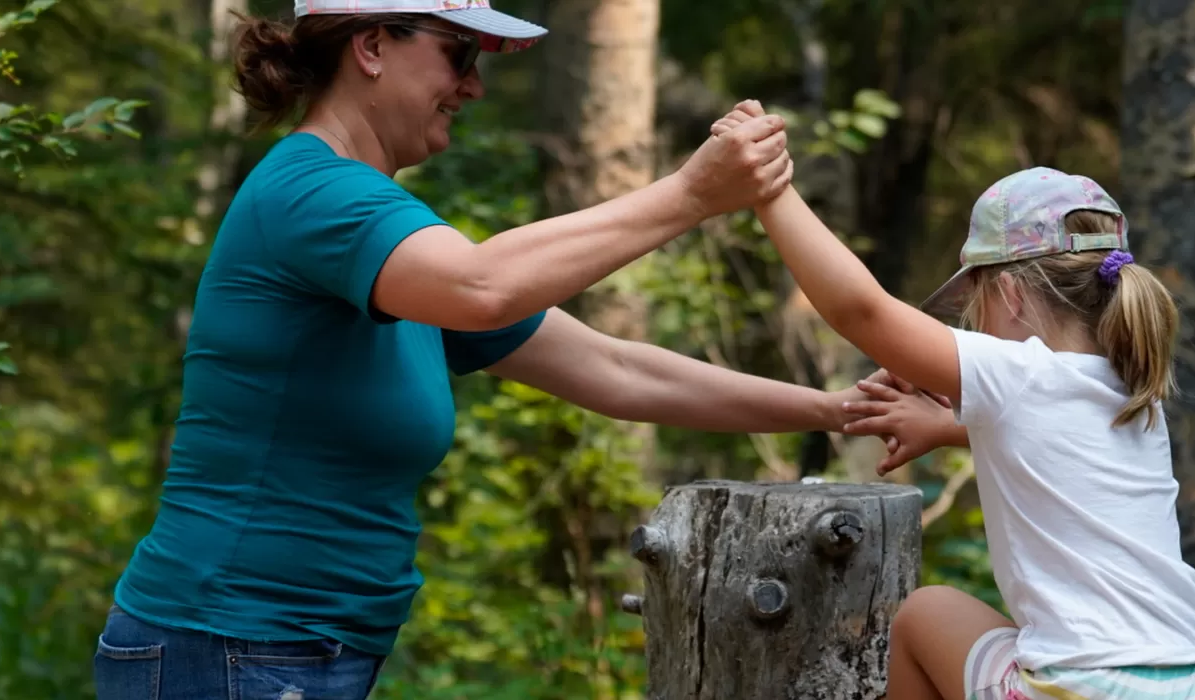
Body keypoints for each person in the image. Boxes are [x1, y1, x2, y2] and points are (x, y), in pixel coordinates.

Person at [90, 3, 875, 698]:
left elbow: (615, 368)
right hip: (231, 642)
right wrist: (692, 195)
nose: (472, 87)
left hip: (287, 649)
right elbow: (482, 285)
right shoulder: (312, 193)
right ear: (370, 46)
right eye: (458, 55)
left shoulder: (389, 240)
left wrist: (840, 409)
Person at [718, 108, 1195, 699]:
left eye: (973, 304)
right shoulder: (1134, 391)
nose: (972, 324)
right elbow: (1062, 454)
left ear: (1007, 293)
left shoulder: (1019, 372)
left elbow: (863, 311)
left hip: (1083, 687)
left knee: (924, 615)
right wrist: (945, 425)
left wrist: (769, 191)